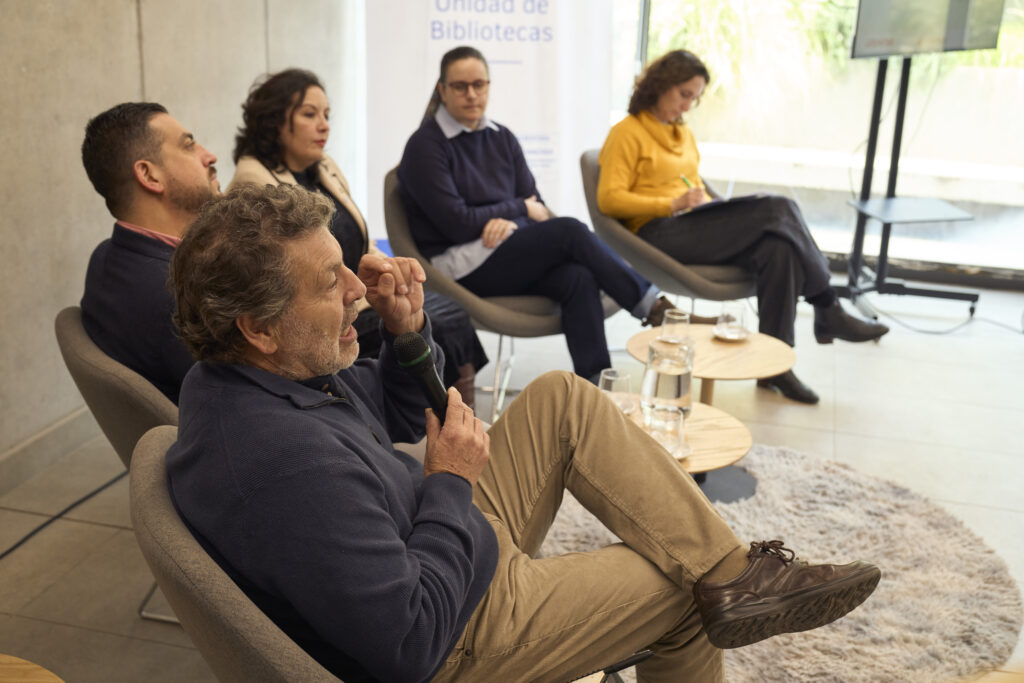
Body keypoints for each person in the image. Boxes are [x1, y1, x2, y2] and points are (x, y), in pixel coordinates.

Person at [166, 182, 881, 683]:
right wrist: (449, 483)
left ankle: (735, 574)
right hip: (456, 632)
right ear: (257, 326)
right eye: (330, 283)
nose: (357, 287)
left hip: (425, 542)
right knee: (673, 584)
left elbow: (379, 414)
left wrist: (408, 333)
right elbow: (410, 642)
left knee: (560, 399)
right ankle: (718, 581)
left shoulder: (251, 377)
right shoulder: (282, 464)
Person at [598, 49, 890, 404]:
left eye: (695, 98)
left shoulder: (682, 134)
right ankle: (827, 304)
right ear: (660, 86)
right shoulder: (626, 133)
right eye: (683, 94)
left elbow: (693, 186)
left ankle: (775, 366)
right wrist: (670, 204)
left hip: (693, 225)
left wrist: (707, 206)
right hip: (657, 233)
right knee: (779, 207)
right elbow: (609, 200)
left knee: (778, 248)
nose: (688, 105)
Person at [398, 46, 682, 383]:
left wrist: (511, 220)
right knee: (570, 231)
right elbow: (457, 223)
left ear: (489, 85)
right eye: (460, 86)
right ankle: (652, 307)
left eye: (480, 84)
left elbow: (539, 208)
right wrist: (517, 209)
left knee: (579, 277)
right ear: (442, 90)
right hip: (461, 266)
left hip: (508, 250)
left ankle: (596, 387)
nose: (471, 94)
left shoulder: (502, 137)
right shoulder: (425, 145)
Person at [230, 68, 487, 408]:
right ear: (274, 120)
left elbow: (360, 239)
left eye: (326, 115)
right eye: (310, 115)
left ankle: (453, 413)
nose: (324, 125)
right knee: (432, 322)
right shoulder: (254, 183)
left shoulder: (323, 167)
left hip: (359, 292)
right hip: (324, 314)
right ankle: (439, 415)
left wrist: (385, 272)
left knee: (449, 312)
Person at [79, 102, 221, 404]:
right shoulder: (181, 297)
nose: (209, 156)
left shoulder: (105, 257)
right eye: (189, 146)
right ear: (149, 175)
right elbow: (250, 405)